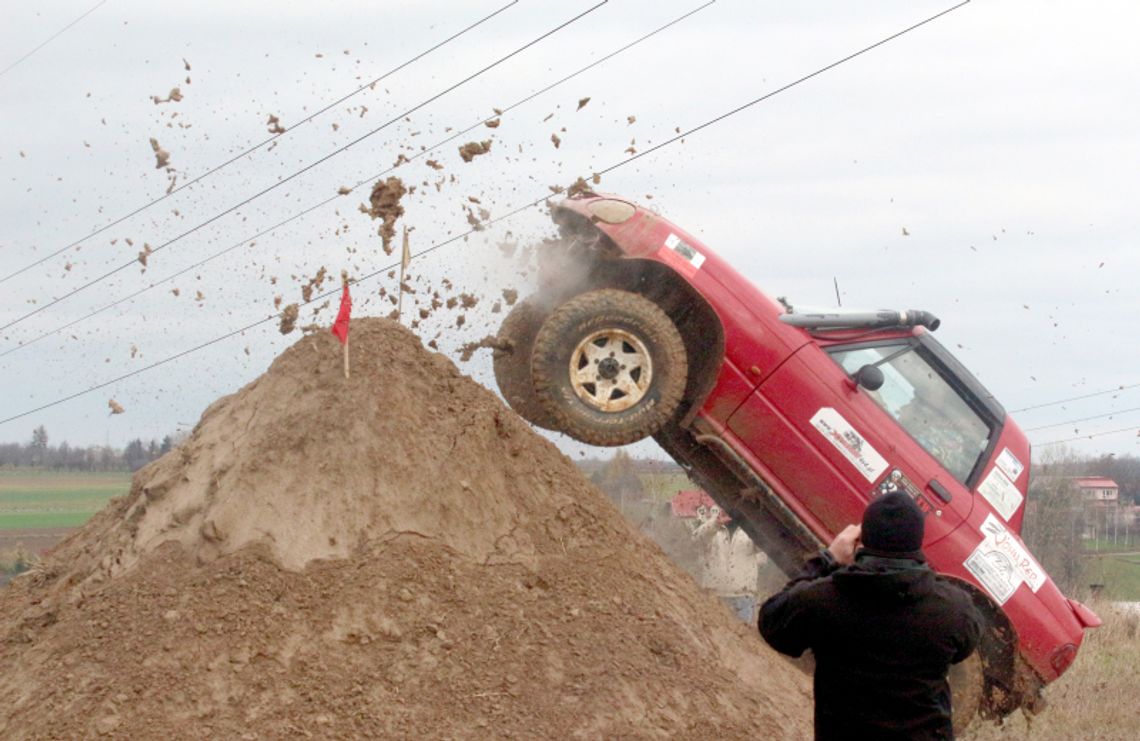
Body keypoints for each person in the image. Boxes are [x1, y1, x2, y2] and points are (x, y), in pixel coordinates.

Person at [758, 491, 983, 741]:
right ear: (917, 541)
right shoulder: (953, 610)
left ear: (861, 540)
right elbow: (966, 644)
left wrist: (827, 559)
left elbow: (772, 623)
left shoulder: (824, 599)